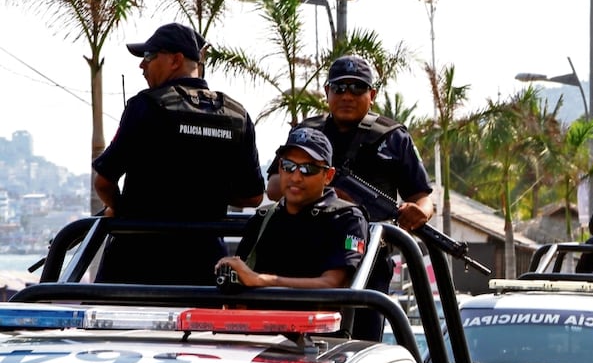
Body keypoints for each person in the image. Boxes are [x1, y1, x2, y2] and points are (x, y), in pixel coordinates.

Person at [266, 54, 433, 340]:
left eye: (357, 88)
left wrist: (420, 212)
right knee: (292, 347)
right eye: (340, 88)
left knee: (361, 345)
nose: (347, 95)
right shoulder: (306, 133)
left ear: (373, 95)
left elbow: (422, 197)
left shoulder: (393, 137)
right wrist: (329, 193)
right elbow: (272, 187)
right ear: (327, 91)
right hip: (304, 257)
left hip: (367, 260)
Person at [93, 22, 264, 285]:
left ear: (175, 60)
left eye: (149, 57)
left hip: (137, 263)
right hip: (203, 267)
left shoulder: (147, 106)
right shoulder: (236, 115)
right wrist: (207, 191)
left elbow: (103, 181)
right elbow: (253, 196)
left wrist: (123, 210)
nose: (142, 66)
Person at [215, 127, 367, 289]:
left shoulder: (348, 219)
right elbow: (243, 279)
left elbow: (334, 284)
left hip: (318, 313)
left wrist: (262, 280)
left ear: (328, 176)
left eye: (308, 169)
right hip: (263, 313)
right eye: (288, 165)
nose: (296, 177)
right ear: (279, 168)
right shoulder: (263, 218)